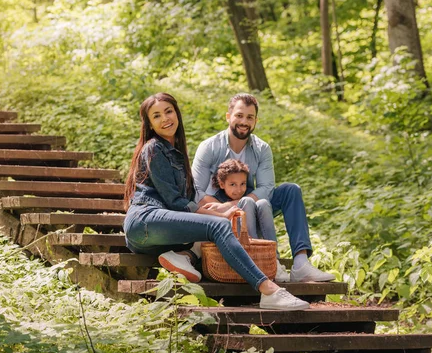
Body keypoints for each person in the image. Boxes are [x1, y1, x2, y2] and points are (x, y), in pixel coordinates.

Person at [123, 92, 309, 310]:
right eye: (157, 116)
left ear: (177, 114)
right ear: (150, 125)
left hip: (162, 231)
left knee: (214, 229)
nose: (165, 119)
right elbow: (175, 202)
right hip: (145, 220)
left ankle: (182, 256)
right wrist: (219, 213)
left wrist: (219, 210)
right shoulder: (154, 148)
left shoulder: (176, 153)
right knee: (218, 225)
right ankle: (269, 290)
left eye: (168, 111)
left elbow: (188, 198)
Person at [192, 93, 335, 283]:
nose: (244, 121)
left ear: (255, 121)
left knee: (291, 190)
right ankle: (258, 262)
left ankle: (301, 263)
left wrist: (240, 202)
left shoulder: (262, 148)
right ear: (228, 116)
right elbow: (195, 191)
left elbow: (267, 187)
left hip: (250, 200)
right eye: (239, 115)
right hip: (217, 207)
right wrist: (225, 207)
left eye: (250, 117)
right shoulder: (209, 147)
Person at [211, 159, 277, 245]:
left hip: (257, 232)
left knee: (263, 203)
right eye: (233, 184)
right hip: (234, 239)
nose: (239, 190)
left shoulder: (249, 193)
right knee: (247, 200)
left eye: (242, 184)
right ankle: (251, 249)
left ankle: (273, 253)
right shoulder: (218, 200)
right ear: (222, 184)